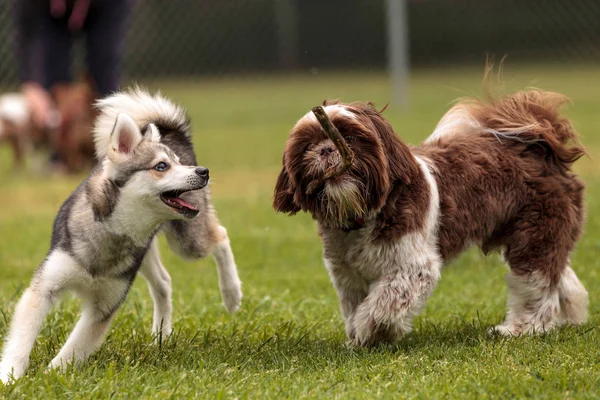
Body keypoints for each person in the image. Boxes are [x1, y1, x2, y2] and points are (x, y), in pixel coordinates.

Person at [13, 0, 134, 166]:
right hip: (50, 8)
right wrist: (30, 82)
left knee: (104, 69)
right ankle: (62, 155)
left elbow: (106, 57)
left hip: (106, 5)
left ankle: (108, 151)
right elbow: (26, 29)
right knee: (52, 72)